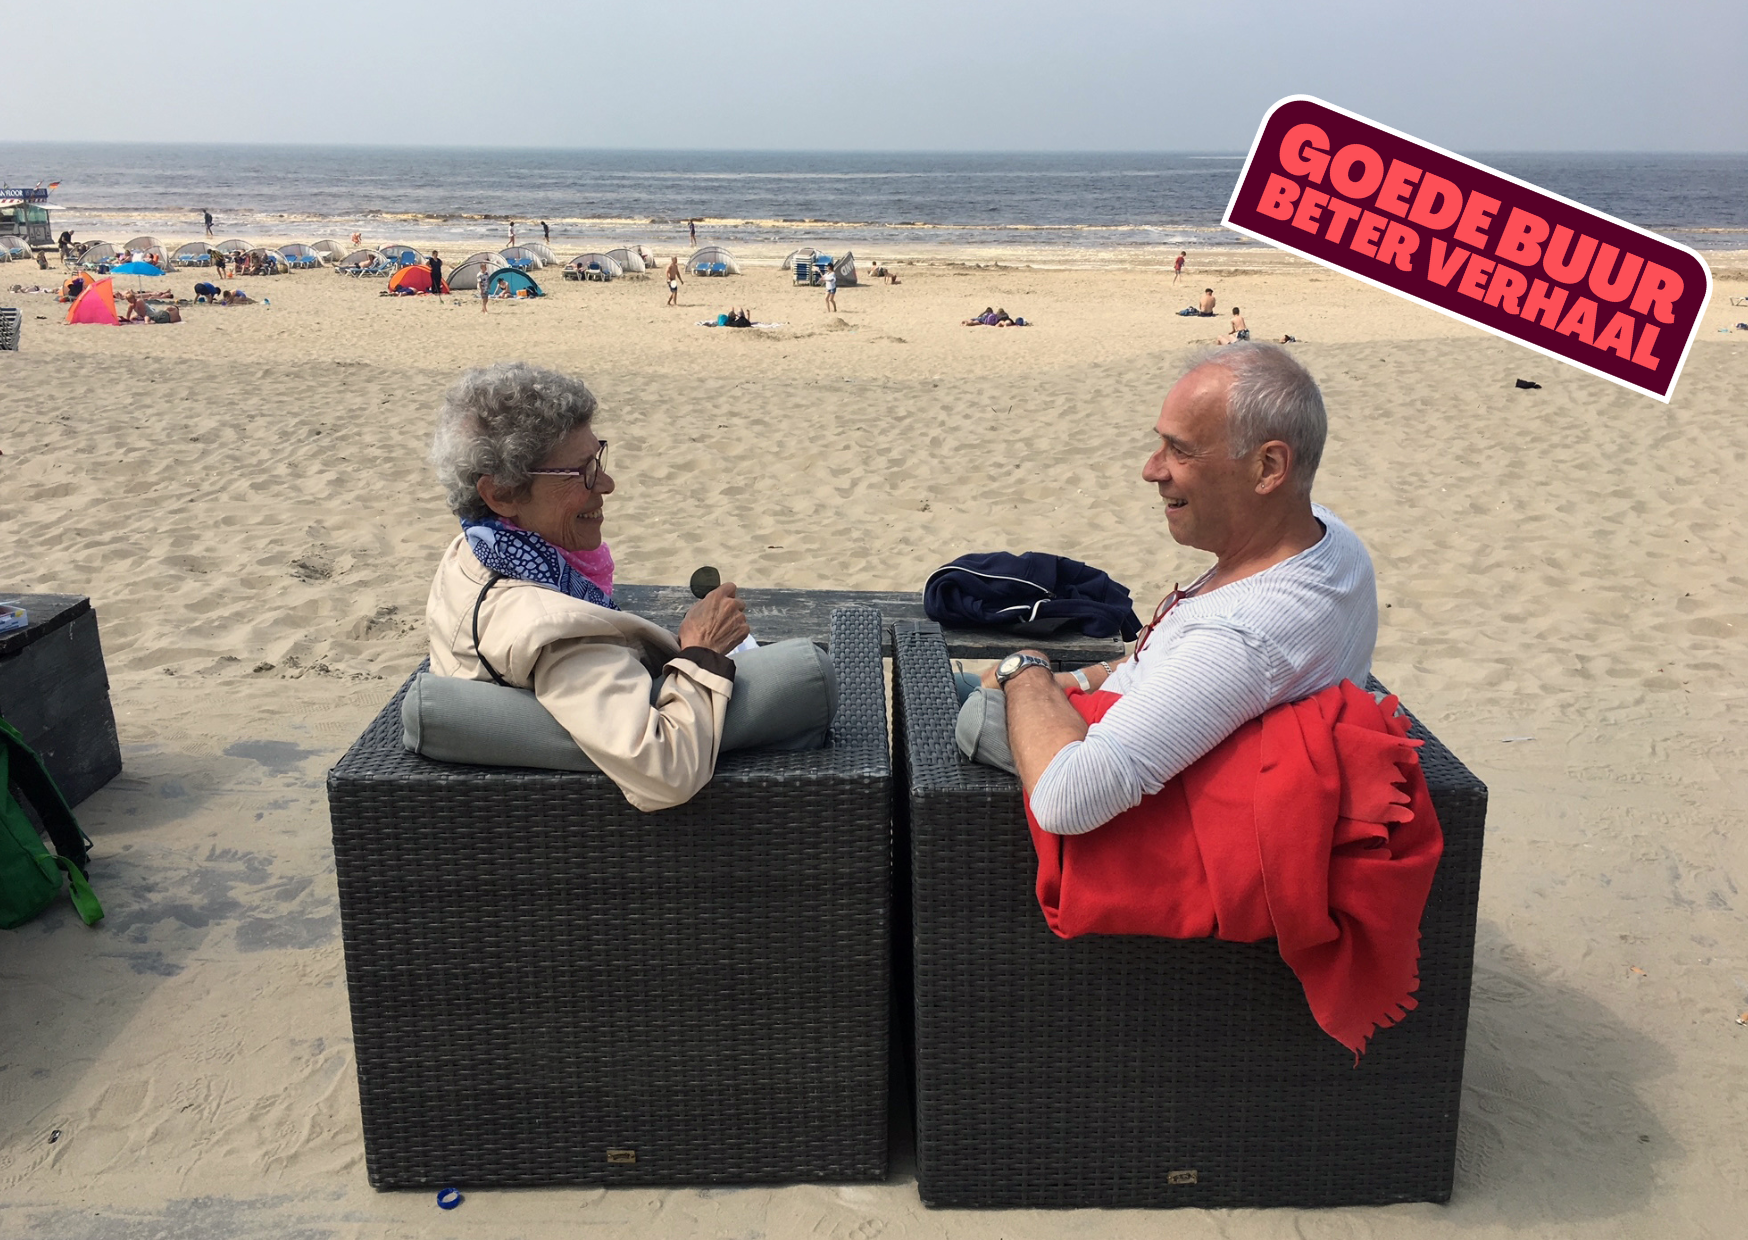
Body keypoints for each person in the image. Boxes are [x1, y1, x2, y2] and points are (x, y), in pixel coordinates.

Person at [973, 344, 1375, 837]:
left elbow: (1066, 799)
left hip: (1115, 795)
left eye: (1180, 450)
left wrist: (1028, 669)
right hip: (1127, 723)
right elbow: (1174, 666)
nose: (1152, 469)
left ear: (1269, 467)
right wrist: (1076, 680)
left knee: (961, 710)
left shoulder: (1245, 635)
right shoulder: (1325, 538)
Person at [425, 363, 759, 811]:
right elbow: (666, 771)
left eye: (597, 458)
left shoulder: (470, 553)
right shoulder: (554, 629)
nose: (606, 483)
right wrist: (704, 652)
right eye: (580, 472)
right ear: (502, 494)